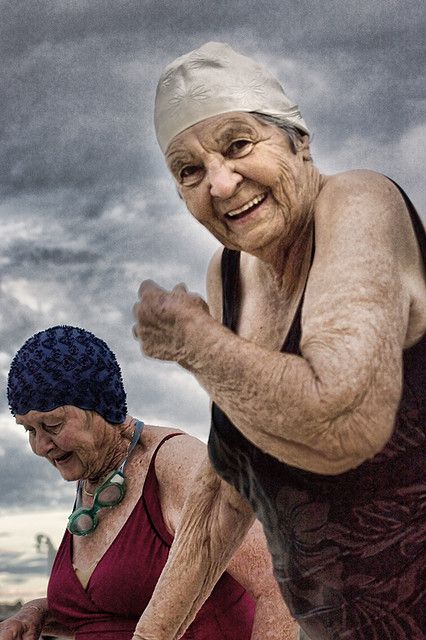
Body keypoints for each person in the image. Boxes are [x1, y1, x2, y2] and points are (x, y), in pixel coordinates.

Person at [132, 42, 426, 640]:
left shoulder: (360, 201)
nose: (219, 182)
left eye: (239, 145)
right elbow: (222, 491)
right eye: (189, 171)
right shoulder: (229, 275)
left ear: (300, 141)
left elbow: (343, 422)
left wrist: (200, 347)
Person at [0, 324, 298, 640]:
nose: (41, 446)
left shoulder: (175, 463)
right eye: (30, 430)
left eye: (53, 424)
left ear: (101, 406)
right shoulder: (91, 482)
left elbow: (280, 584)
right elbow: (106, 614)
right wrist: (38, 613)